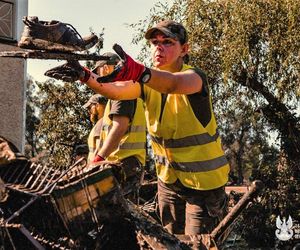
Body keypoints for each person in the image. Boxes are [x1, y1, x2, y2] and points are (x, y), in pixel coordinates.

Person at [45, 20, 230, 237]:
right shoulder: (147, 83)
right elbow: (114, 91)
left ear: (185, 49)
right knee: (170, 243)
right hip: (169, 183)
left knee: (197, 244)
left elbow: (171, 83)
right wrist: (84, 75)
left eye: (168, 42)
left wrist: (141, 72)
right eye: (155, 42)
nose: (159, 47)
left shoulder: (195, 78)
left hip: (204, 188)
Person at [87, 53, 147, 195]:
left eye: (98, 72)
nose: (97, 77)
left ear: (106, 68)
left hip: (124, 164)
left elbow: (119, 127)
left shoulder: (122, 89)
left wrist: (97, 159)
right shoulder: (122, 90)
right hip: (124, 164)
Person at [82, 93, 107, 163]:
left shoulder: (101, 123)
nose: (89, 111)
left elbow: (99, 147)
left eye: (90, 107)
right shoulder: (107, 121)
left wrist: (92, 165)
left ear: (97, 105)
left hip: (97, 165)